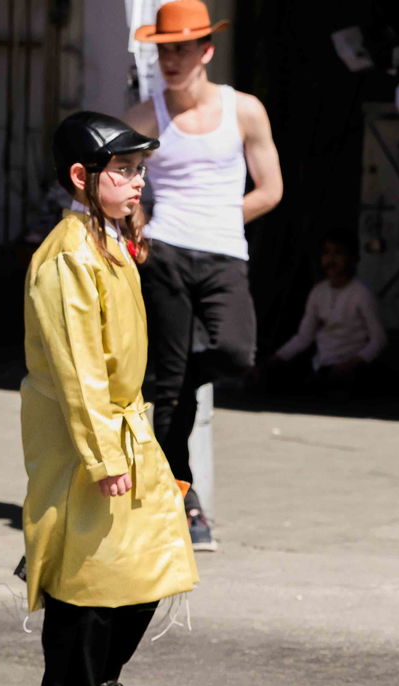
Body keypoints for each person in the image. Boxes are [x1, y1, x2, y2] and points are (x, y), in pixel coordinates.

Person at [22, 112, 199, 686]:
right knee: (89, 572)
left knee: (150, 562)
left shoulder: (109, 241)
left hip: (125, 425)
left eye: (139, 169)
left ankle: (100, 685)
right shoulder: (69, 257)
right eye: (123, 170)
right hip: (87, 436)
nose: (136, 182)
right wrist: (103, 456)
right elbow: (78, 370)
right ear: (81, 176)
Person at [125, 0, 283, 551]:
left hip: (222, 253)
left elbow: (270, 189)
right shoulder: (146, 117)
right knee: (167, 398)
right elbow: (117, 183)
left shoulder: (245, 110)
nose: (171, 60)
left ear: (206, 51)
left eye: (182, 50)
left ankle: (183, 375)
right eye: (163, 51)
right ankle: (186, 507)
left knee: (235, 353)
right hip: (165, 252)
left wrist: (225, 216)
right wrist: (139, 227)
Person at [263, 230, 387, 392]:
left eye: (338, 253)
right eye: (327, 253)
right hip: (322, 367)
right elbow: (304, 337)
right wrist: (273, 361)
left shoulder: (361, 294)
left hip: (353, 369)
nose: (331, 260)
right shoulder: (318, 292)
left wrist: (352, 364)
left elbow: (378, 340)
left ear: (354, 258)